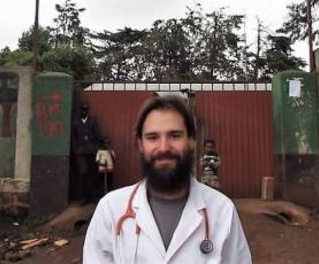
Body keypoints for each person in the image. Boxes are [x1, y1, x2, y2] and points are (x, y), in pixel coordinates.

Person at [83, 95, 251, 264]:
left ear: (191, 141)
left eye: (175, 135)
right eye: (152, 137)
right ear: (141, 145)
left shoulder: (222, 211)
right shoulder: (111, 210)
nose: (164, 148)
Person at [71, 103, 103, 203]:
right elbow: (73, 138)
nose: (84, 112)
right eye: (82, 110)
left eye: (86, 110)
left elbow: (98, 135)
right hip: (80, 153)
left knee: (93, 174)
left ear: (88, 111)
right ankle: (83, 198)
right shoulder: (75, 122)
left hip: (91, 151)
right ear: (80, 111)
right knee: (83, 173)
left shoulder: (93, 121)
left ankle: (93, 197)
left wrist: (96, 148)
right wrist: (76, 150)